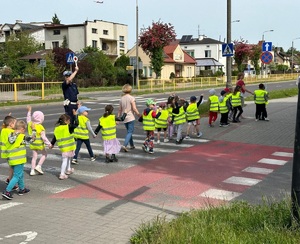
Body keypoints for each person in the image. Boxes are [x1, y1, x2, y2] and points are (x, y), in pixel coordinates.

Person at [2, 120, 34, 200]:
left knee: (20, 174)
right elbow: (32, 139)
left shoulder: (11, 135)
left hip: (12, 159)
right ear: (22, 129)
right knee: (17, 176)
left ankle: (22, 189)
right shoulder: (22, 137)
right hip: (19, 160)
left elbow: (10, 142)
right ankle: (7, 191)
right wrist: (34, 130)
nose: (24, 131)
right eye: (25, 130)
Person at [51, 112, 78, 180]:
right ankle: (62, 174)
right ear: (66, 121)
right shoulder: (68, 127)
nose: (69, 122)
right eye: (69, 120)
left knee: (68, 158)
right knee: (65, 160)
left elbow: (55, 137)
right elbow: (77, 124)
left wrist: (52, 144)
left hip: (63, 147)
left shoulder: (57, 128)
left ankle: (68, 169)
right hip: (69, 146)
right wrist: (75, 115)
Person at [27, 106, 52, 176]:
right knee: (44, 154)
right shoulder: (41, 127)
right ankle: (39, 166)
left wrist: (29, 111)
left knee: (34, 157)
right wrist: (49, 144)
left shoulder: (30, 124)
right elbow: (44, 137)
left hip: (32, 143)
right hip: (39, 144)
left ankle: (32, 170)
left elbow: (28, 119)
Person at [117, 84, 141, 152]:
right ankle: (125, 145)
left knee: (129, 132)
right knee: (130, 132)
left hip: (124, 117)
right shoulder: (132, 98)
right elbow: (134, 108)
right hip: (130, 117)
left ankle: (132, 145)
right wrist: (139, 114)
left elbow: (120, 109)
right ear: (130, 90)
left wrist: (118, 118)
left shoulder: (121, 99)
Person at [1, 115, 19, 190]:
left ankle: (9, 179)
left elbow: (3, 126)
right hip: (11, 153)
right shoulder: (12, 132)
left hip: (5, 153)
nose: (16, 125)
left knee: (11, 168)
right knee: (14, 169)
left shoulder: (3, 130)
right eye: (15, 123)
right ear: (11, 124)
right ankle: (10, 183)